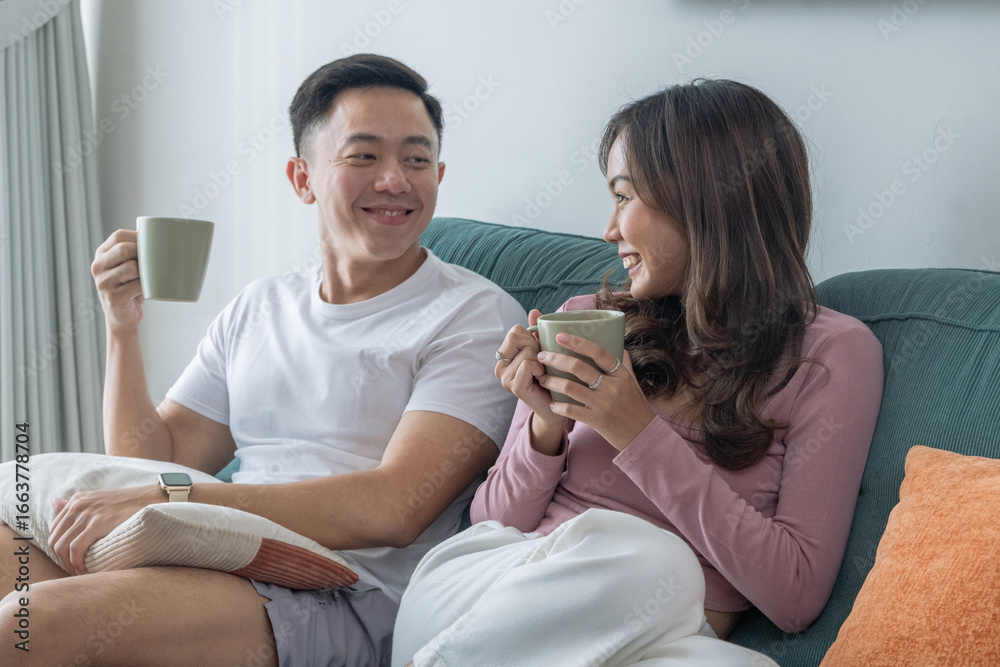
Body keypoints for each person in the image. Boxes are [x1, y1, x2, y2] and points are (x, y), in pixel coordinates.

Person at [0, 54, 525, 666]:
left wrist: (176, 502)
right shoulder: (260, 305)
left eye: (416, 160)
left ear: (438, 173)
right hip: (217, 552)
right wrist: (122, 327)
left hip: (345, 592)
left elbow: (397, 509)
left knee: (25, 627)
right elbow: (156, 459)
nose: (394, 180)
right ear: (302, 178)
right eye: (364, 156)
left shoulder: (474, 315)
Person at [392, 79, 884, 666]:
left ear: (703, 201)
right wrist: (545, 428)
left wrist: (637, 432)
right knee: (656, 561)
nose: (609, 230)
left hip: (656, 641)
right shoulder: (586, 320)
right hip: (490, 595)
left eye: (624, 197)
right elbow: (493, 523)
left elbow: (795, 596)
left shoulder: (831, 353)